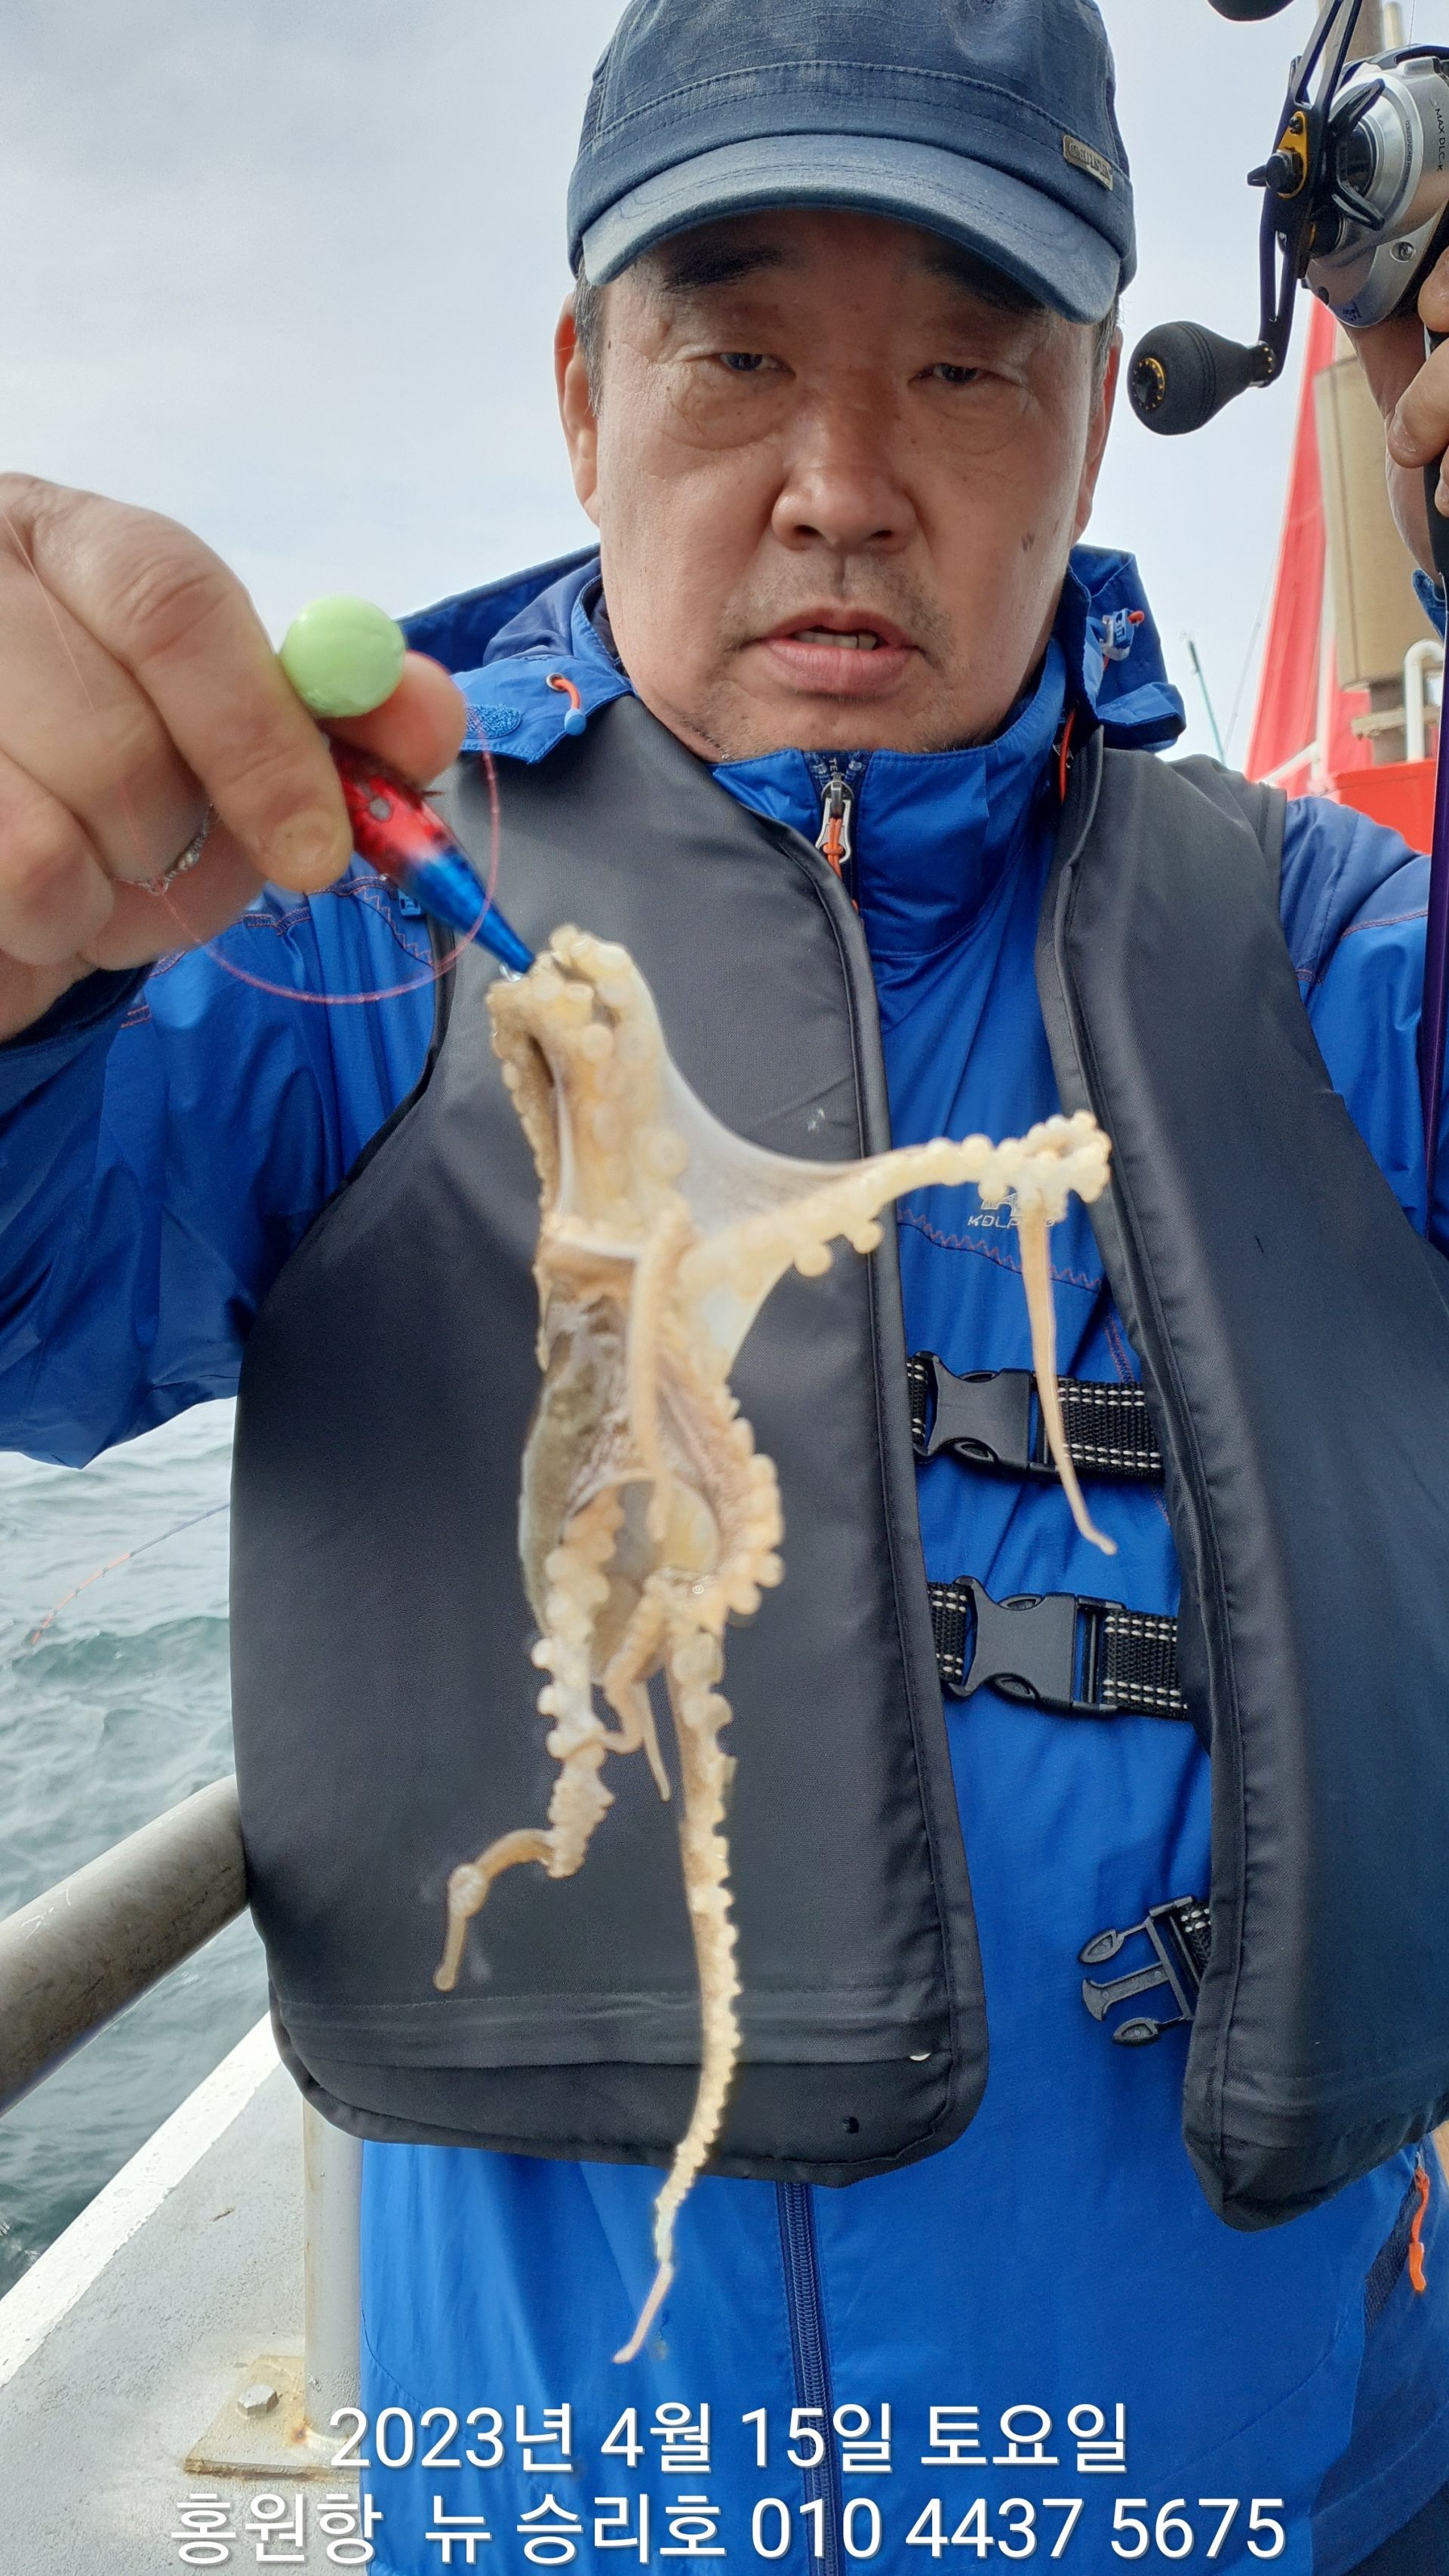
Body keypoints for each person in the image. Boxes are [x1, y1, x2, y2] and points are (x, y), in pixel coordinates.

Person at [5, 2, 1449, 2567]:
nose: (844, 486)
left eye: (967, 369)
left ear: (1092, 428)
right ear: (585, 397)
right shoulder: (320, 940)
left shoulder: (1333, 954)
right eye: (740, 354)